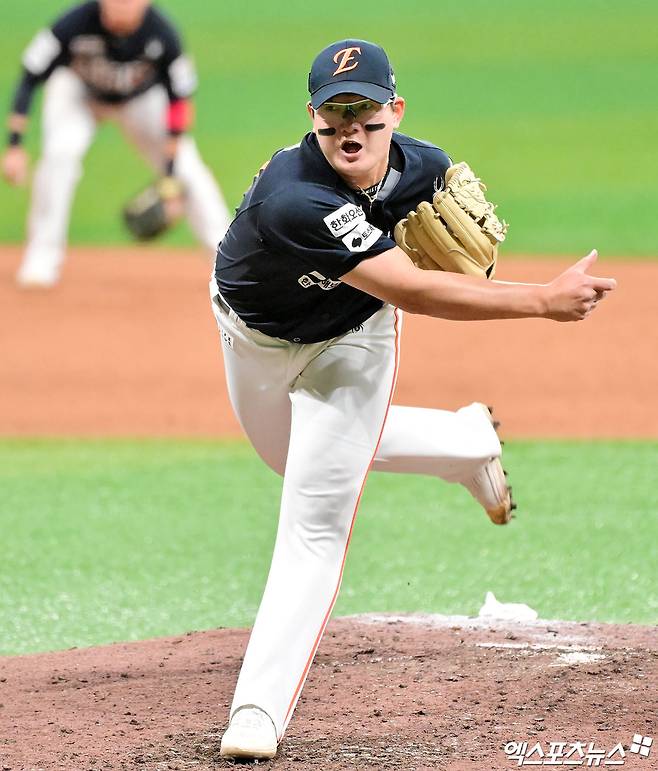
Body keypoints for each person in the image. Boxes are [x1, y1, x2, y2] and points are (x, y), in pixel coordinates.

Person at [210, 40, 616, 760]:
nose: (351, 128)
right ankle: (466, 441)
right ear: (312, 116)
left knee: (315, 518)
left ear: (394, 110)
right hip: (255, 340)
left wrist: (488, 269)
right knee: (289, 459)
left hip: (353, 340)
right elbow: (417, 289)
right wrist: (542, 300)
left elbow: (455, 265)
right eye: (335, 113)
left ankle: (257, 712)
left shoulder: (426, 169)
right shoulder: (294, 196)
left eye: (365, 109)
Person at [1, 0, 231, 287]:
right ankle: (41, 257)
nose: (122, 6)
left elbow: (179, 101)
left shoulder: (162, 33)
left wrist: (170, 175)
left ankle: (228, 261)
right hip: (78, 94)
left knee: (188, 169)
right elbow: (30, 75)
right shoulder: (73, 23)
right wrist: (14, 146)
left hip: (141, 100)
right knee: (59, 156)